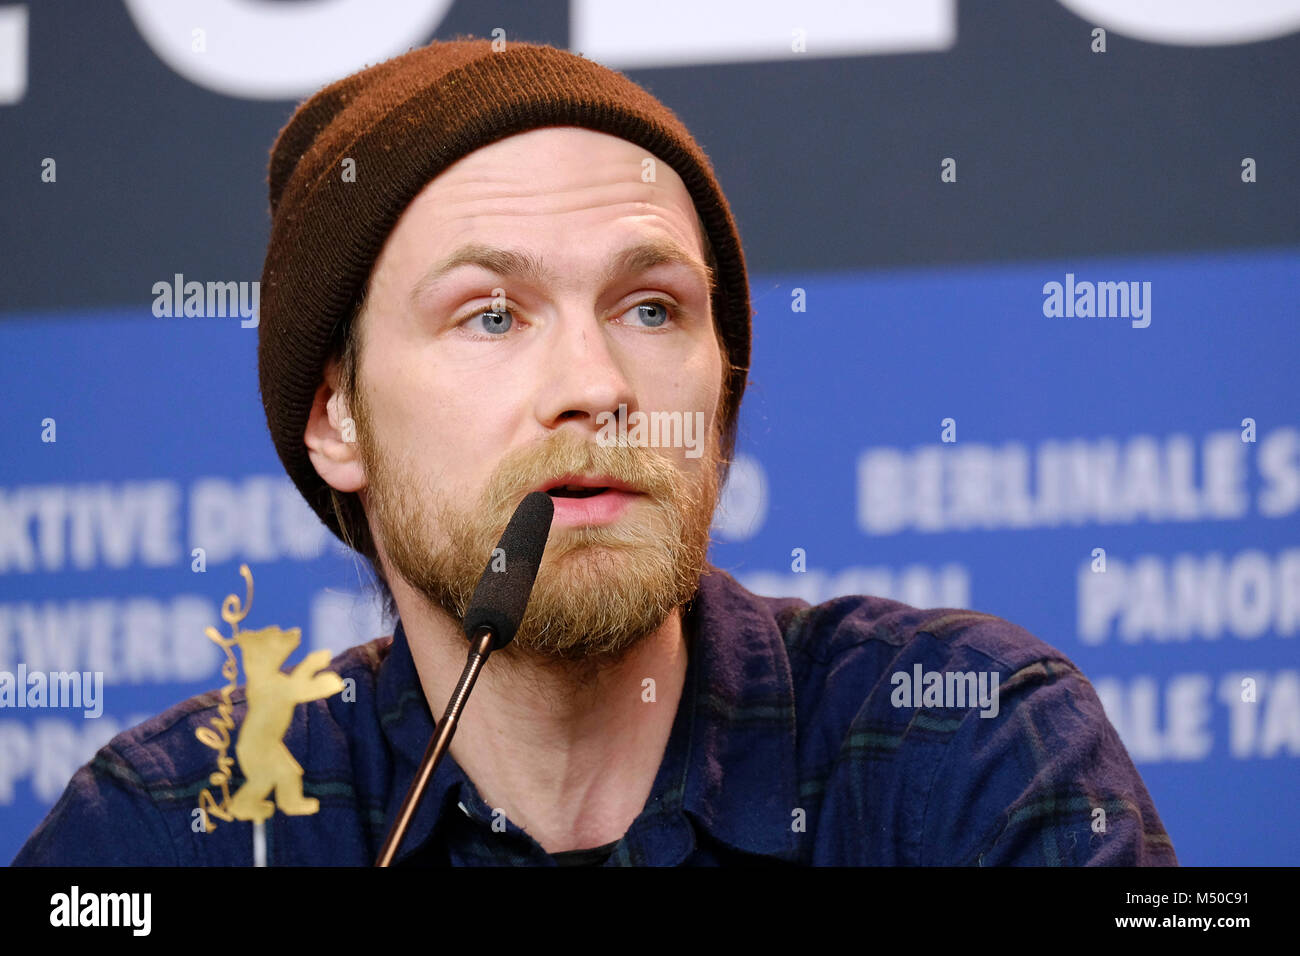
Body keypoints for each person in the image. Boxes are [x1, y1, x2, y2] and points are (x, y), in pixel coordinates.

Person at [13, 37, 1177, 866]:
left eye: (651, 308)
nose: (596, 386)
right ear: (337, 419)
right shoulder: (175, 826)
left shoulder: (965, 744)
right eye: (490, 314)